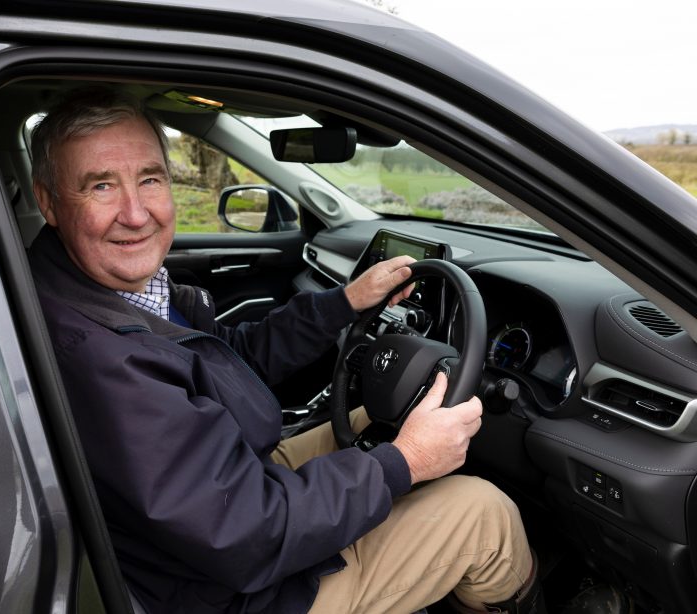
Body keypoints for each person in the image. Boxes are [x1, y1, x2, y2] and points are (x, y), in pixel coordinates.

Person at [27, 86, 544, 614]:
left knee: (380, 420)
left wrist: (344, 303)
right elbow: (247, 536)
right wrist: (406, 461)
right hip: (235, 592)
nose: (136, 215)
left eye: (150, 179)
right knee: (486, 515)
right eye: (101, 187)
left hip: (222, 501)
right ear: (48, 201)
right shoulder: (102, 355)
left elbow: (226, 360)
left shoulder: (102, 294)